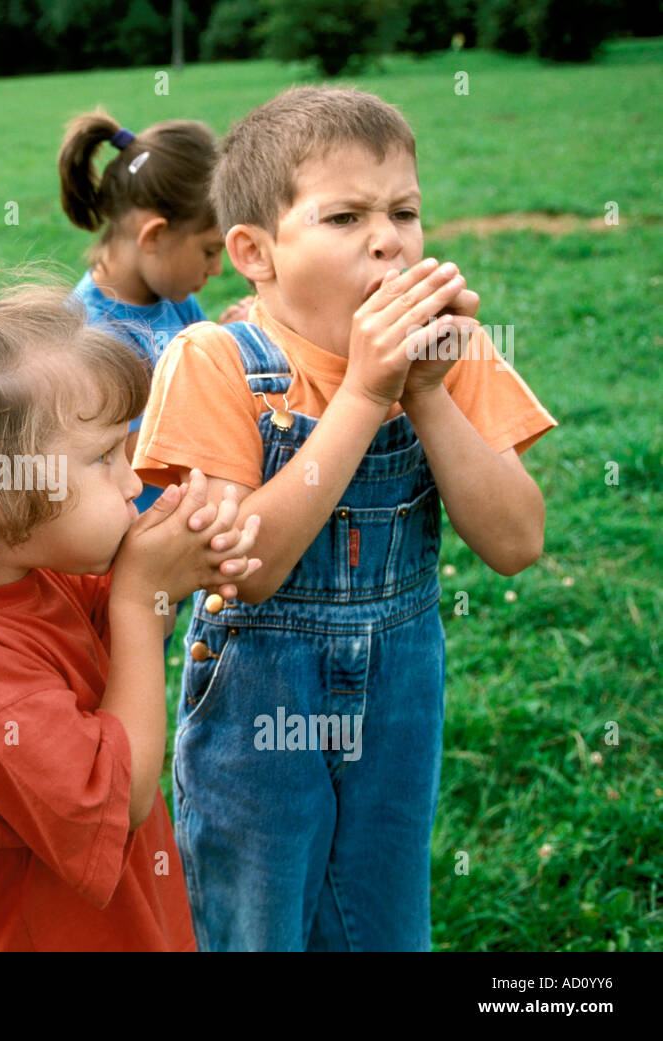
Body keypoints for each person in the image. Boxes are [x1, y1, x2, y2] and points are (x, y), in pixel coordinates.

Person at [133, 86, 557, 951]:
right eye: (344, 216)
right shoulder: (212, 359)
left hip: (399, 701)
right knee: (259, 922)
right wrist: (365, 393)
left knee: (385, 920)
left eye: (405, 211)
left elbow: (517, 542)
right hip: (257, 715)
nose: (387, 238)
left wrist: (427, 395)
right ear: (255, 251)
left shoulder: (452, 354)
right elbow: (246, 568)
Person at [0, 228, 262, 950]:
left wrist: (182, 555)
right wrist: (136, 602)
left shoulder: (24, 569)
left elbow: (133, 621)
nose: (132, 482)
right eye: (102, 458)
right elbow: (117, 798)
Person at [58, 109, 253, 512]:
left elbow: (196, 371)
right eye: (210, 250)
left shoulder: (174, 298)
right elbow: (136, 450)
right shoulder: (90, 333)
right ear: (155, 235)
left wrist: (228, 341)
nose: (217, 269)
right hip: (141, 537)